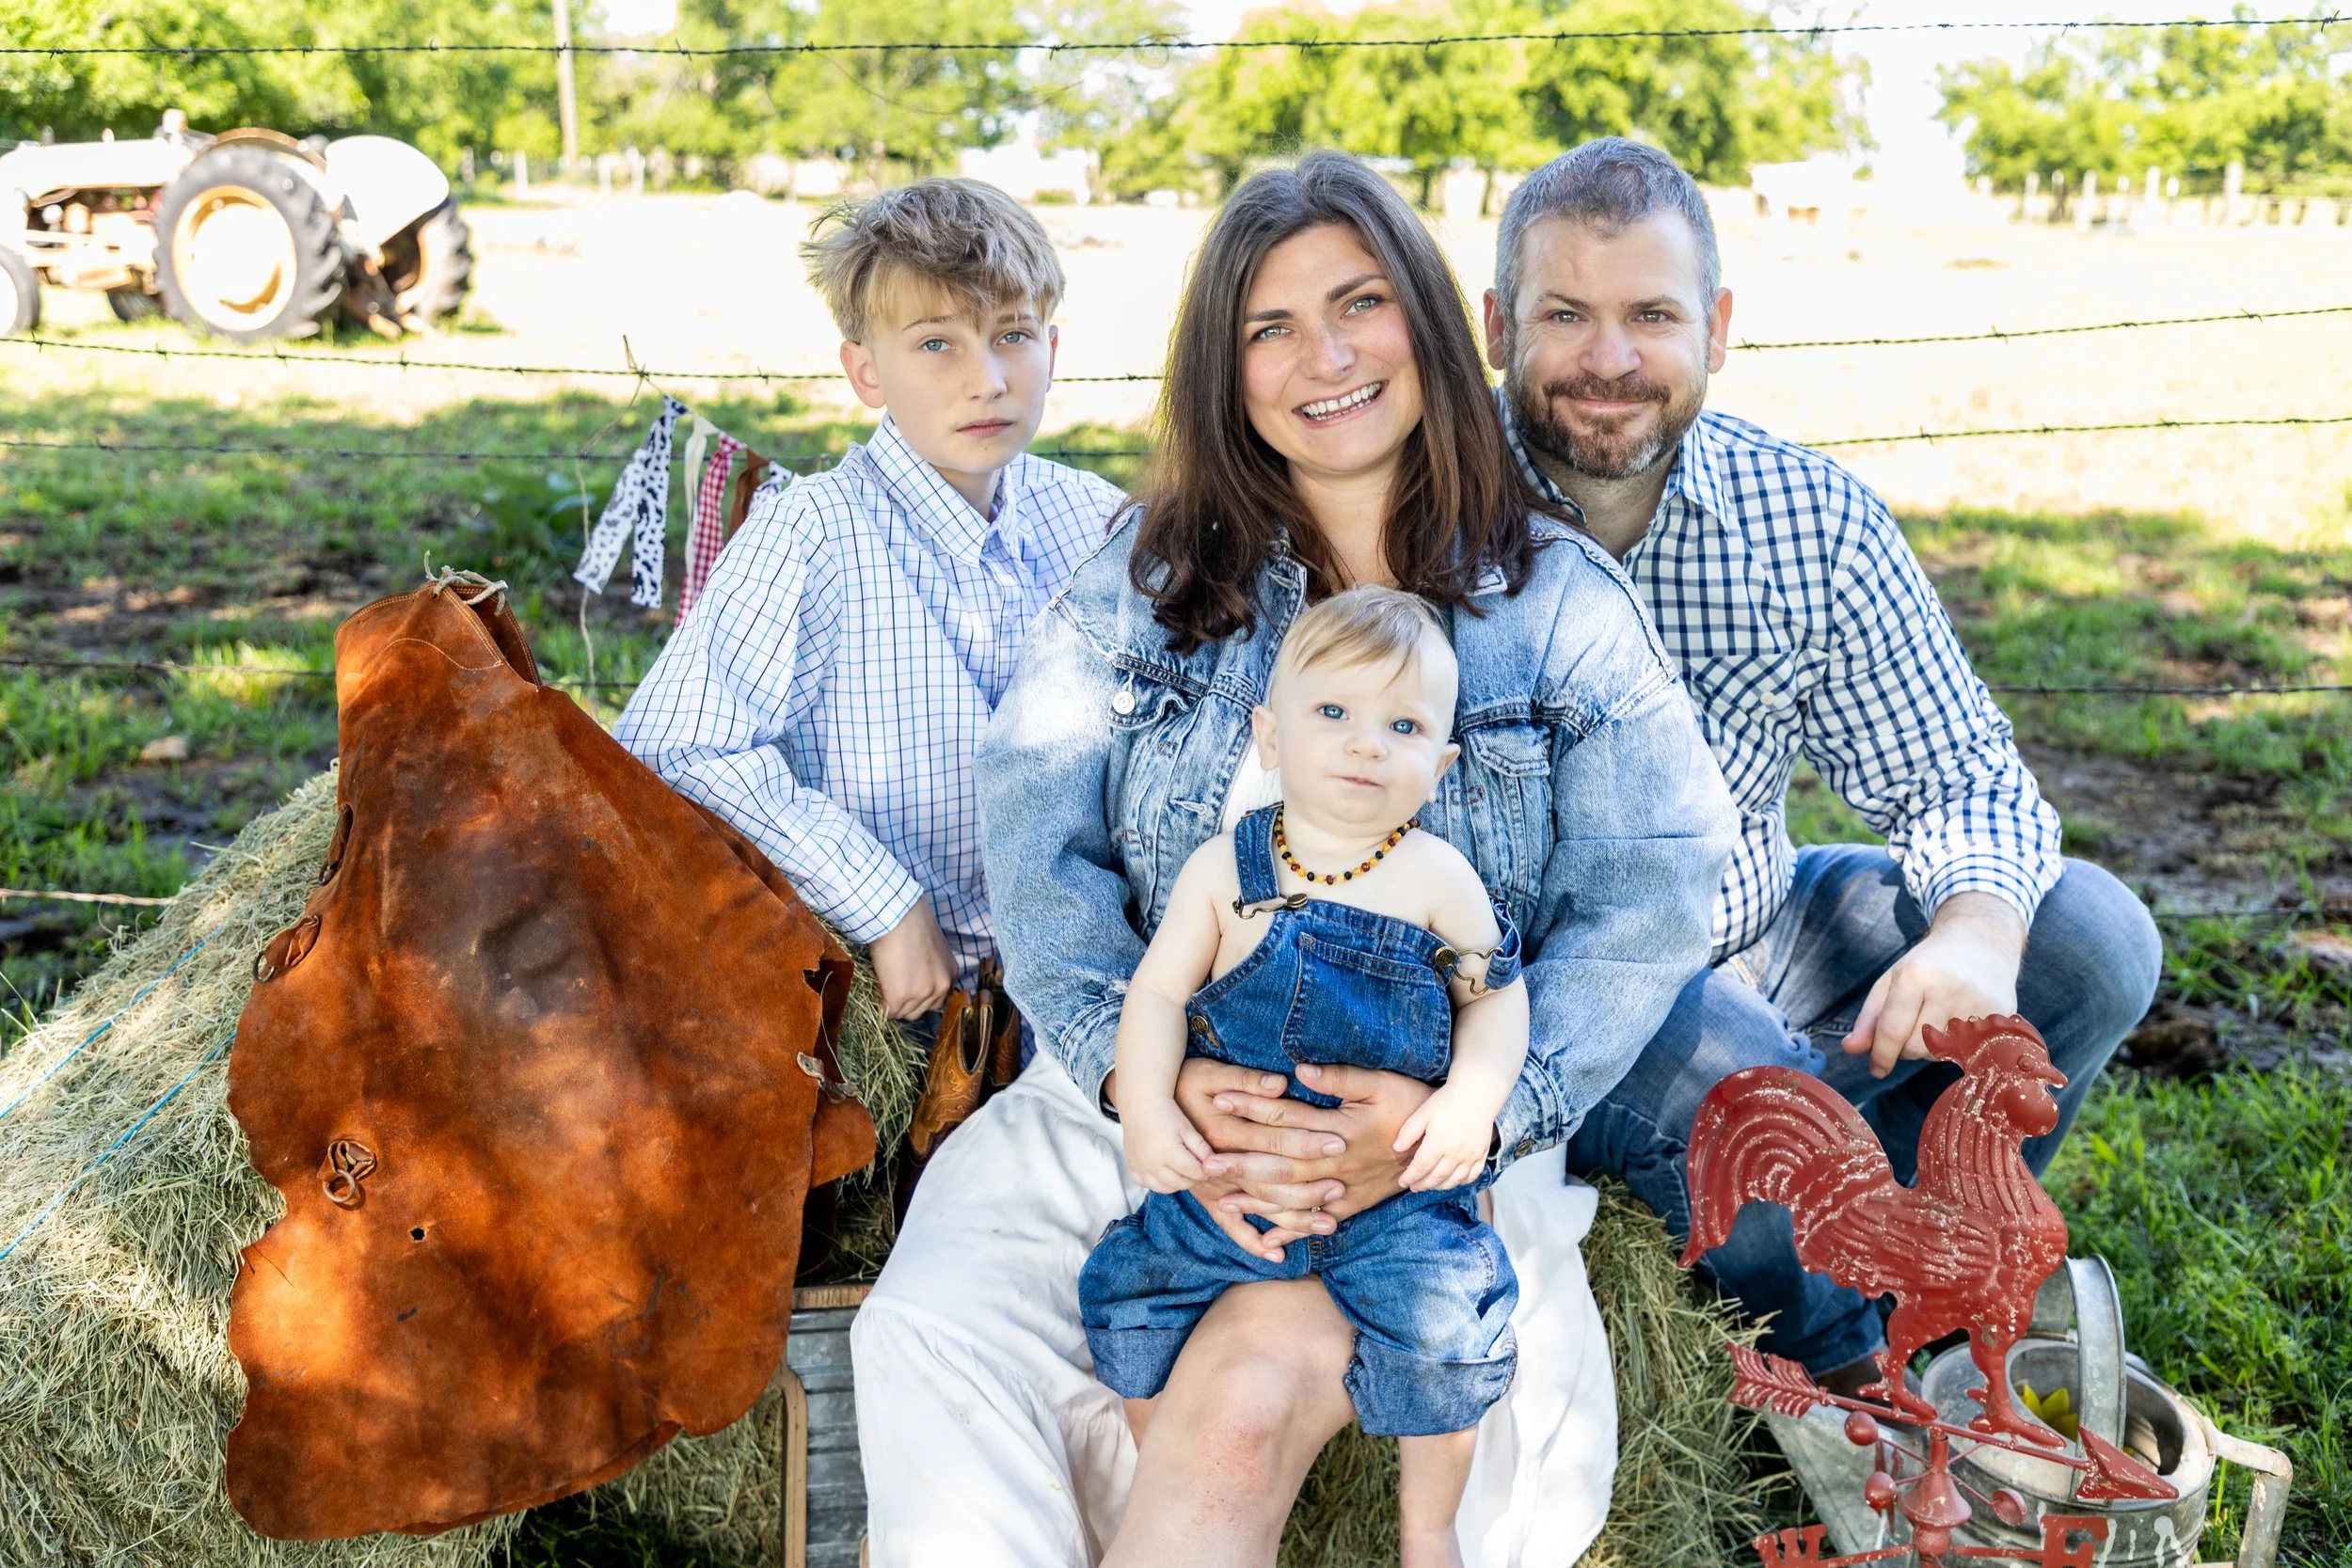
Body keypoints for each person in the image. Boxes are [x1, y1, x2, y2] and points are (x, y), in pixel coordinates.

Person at [852, 150, 1738, 1568]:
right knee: (932, 1330)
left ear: (1433, 331)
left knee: (1246, 1395)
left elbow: (1647, 900)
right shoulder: (1148, 586)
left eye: (1361, 303)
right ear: (1227, 369)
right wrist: (1138, 1073)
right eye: (1270, 328)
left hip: (1415, 1137)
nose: (1324, 356)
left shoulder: (1554, 607)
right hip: (1133, 1104)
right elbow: (1039, 836)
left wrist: (1458, 1114)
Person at [1481, 137, 2164, 1392]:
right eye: (1564, 313)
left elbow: (1961, 768)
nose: (1610, 358)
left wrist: (1972, 932)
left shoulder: (1804, 518)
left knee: (2091, 937)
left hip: (1754, 924)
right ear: (1495, 326)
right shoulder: (1425, 518)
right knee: (1739, 1082)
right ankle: (1887, 1388)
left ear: (1720, 327)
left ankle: (1866, 1253)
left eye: (1652, 314)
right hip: (1556, 992)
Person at [1085, 586, 1530, 1568]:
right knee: (1127, 1291)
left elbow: (1494, 1000)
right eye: (1332, 713)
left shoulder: (1436, 878)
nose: (1366, 744)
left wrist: (1470, 1101)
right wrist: (1150, 1105)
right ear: (1269, 734)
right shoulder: (1221, 870)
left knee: (1450, 1321)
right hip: (1230, 1178)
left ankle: (1428, 1524)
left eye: (1403, 724)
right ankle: (1160, 1458)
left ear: (1441, 764)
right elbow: (1158, 996)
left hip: (1393, 1186)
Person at [612, 177, 1121, 1019]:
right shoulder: (812, 535)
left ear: (1053, 349)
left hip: (1087, 985)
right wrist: (882, 900)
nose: (987, 379)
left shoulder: (1094, 522)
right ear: (865, 371)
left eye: (1013, 335)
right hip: (899, 1005)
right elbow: (675, 748)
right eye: (935, 345)